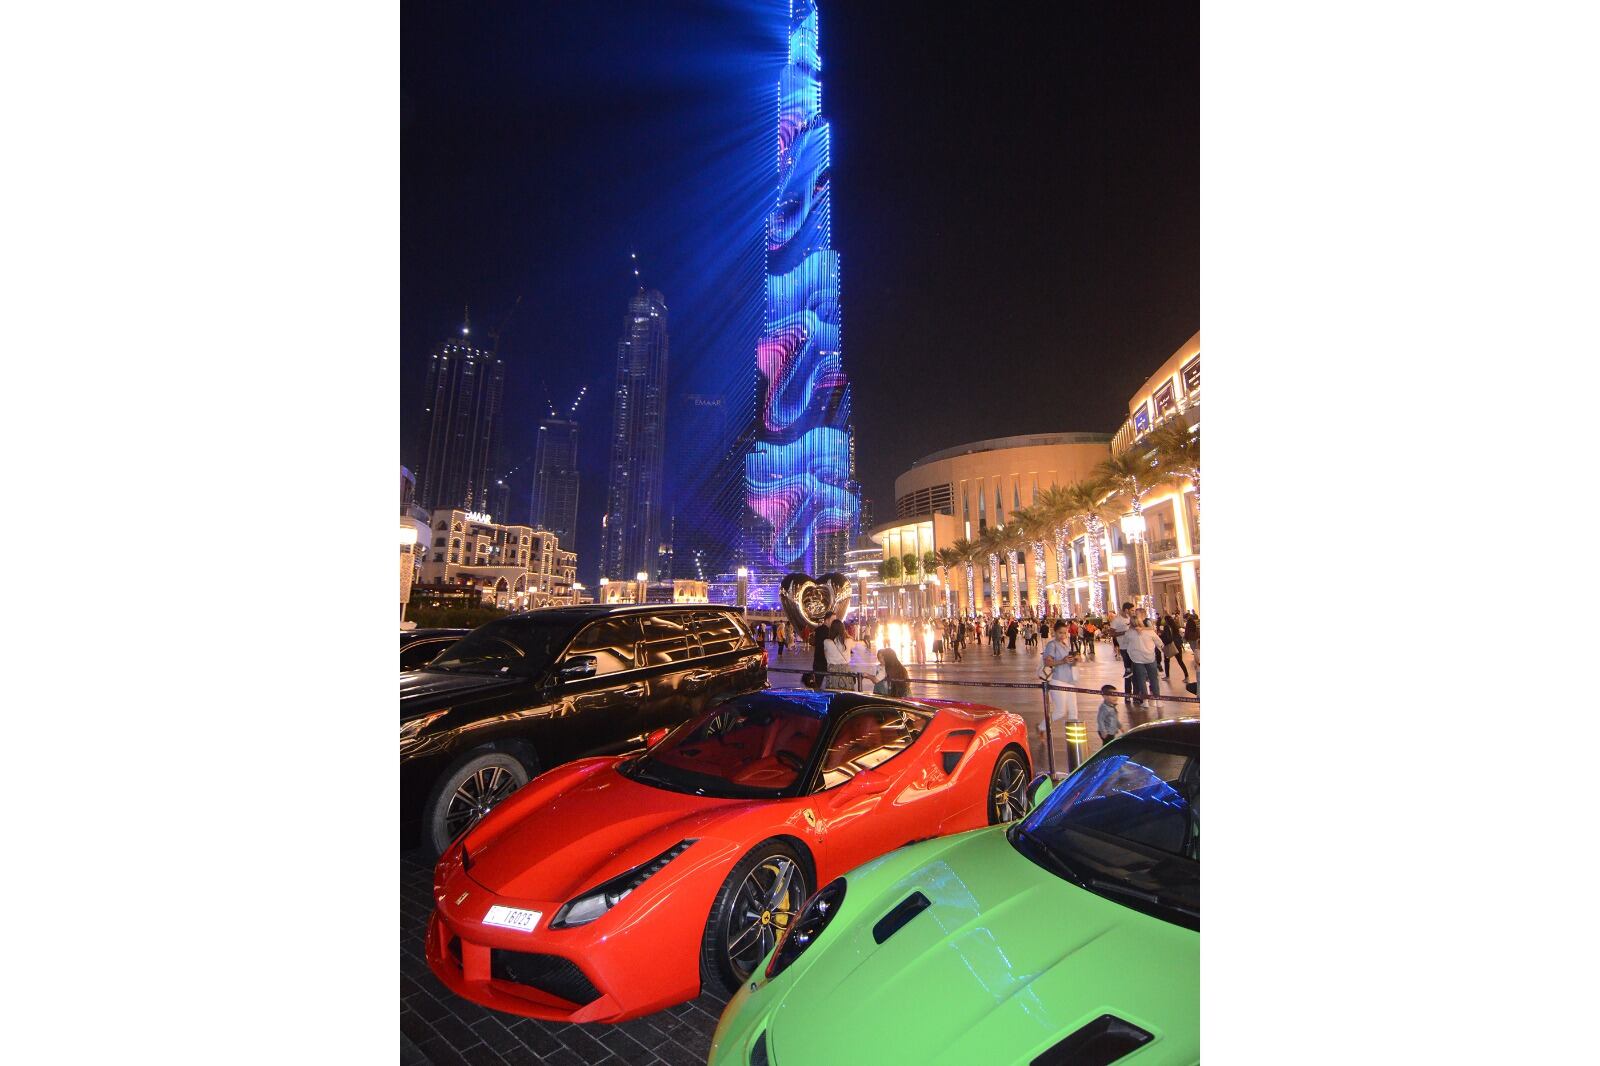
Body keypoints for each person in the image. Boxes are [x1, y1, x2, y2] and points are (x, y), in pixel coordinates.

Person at [1038, 620, 1078, 737]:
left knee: (1073, 711)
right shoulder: (1052, 645)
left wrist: (1075, 660)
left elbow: (1068, 661)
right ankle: (1041, 727)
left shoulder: (1065, 645)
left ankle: (1074, 737)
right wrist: (1062, 661)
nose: (1063, 635)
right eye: (1060, 633)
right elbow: (1048, 662)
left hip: (1070, 680)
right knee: (1060, 711)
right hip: (1057, 680)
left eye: (1065, 633)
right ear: (1054, 632)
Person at [1125, 615, 1162, 707]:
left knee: (1141, 680)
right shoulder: (1149, 632)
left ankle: (1145, 701)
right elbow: (1159, 643)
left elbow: (1126, 644)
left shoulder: (1129, 633)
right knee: (1154, 679)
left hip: (1137, 659)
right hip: (1150, 658)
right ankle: (1158, 701)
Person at [1110, 602, 1135, 699]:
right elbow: (1112, 633)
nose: (1133, 612)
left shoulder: (1131, 618)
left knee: (1135, 671)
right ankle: (1127, 694)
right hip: (1125, 648)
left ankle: (1137, 695)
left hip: (1133, 647)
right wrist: (1125, 632)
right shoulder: (1117, 620)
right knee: (1128, 672)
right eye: (1132, 610)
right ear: (1126, 610)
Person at [822, 619, 856, 691]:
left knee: (833, 691)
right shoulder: (849, 641)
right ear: (843, 629)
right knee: (847, 692)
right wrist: (846, 634)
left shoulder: (826, 642)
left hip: (832, 669)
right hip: (845, 669)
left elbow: (825, 655)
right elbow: (853, 645)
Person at [1160, 612, 1190, 682]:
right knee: (1180, 661)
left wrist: (1161, 636)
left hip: (1170, 646)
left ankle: (1167, 676)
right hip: (1177, 645)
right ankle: (1187, 676)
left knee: (1166, 661)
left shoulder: (1166, 627)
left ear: (1166, 620)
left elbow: (1167, 638)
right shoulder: (1175, 626)